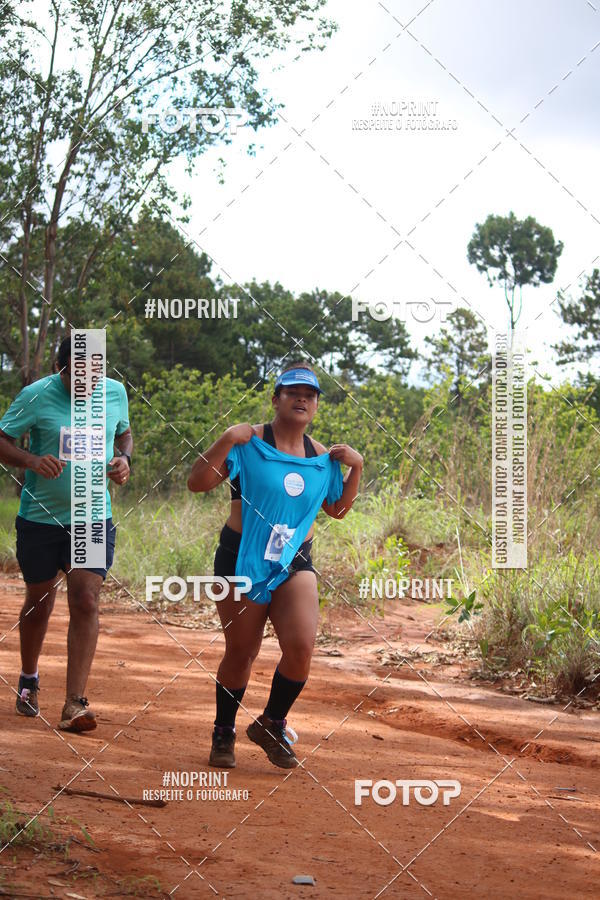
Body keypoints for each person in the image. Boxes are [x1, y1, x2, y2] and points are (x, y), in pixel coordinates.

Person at [187, 362, 363, 769]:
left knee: (301, 647)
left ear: (317, 405)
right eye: (293, 392)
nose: (302, 399)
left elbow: (337, 510)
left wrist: (357, 468)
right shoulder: (248, 443)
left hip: (294, 561)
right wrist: (227, 438)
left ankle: (271, 722)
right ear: (276, 399)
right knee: (242, 650)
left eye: (311, 395)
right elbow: (197, 482)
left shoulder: (322, 457)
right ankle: (223, 730)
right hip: (240, 556)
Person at [0, 334, 132, 732]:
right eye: (79, 374)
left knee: (86, 599)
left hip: (91, 517)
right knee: (40, 601)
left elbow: (123, 432)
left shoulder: (113, 393)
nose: (89, 383)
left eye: (96, 373)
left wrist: (123, 458)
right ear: (61, 368)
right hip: (41, 519)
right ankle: (28, 677)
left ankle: (75, 702)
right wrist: (32, 460)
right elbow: (2, 440)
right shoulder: (34, 396)